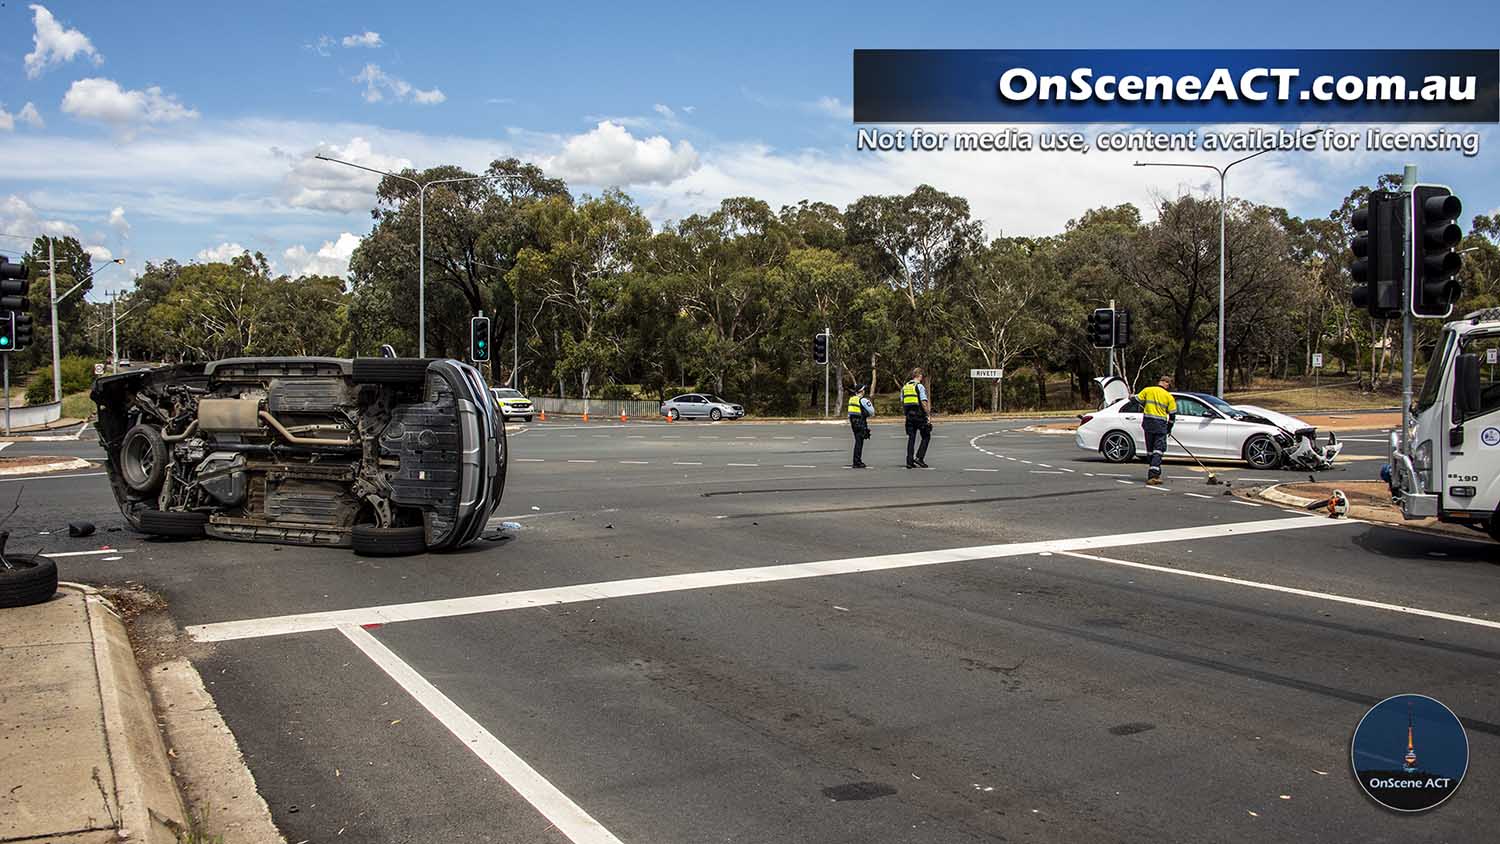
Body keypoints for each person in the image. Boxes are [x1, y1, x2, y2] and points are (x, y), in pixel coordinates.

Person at [1136, 374, 1177, 485]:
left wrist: (1132, 397)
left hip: (1148, 424)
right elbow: (1172, 415)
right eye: (1169, 384)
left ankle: (1155, 472)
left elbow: (1137, 400)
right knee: (1158, 450)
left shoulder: (1147, 390)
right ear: (1166, 383)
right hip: (1160, 426)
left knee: (1150, 450)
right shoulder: (1168, 396)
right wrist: (1169, 428)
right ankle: (1153, 475)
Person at [901, 367, 932, 468]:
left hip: (909, 416)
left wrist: (906, 413)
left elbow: (902, 401)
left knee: (911, 438)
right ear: (920, 376)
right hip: (919, 415)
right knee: (926, 435)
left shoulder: (905, 387)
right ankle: (919, 458)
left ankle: (909, 461)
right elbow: (923, 401)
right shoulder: (919, 386)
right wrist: (928, 414)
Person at [847, 384, 874, 468]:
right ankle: (857, 461)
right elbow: (872, 412)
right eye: (863, 390)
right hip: (861, 422)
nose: (864, 391)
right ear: (861, 391)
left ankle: (857, 460)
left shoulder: (851, 399)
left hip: (853, 423)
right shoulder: (863, 400)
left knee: (857, 441)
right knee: (859, 442)